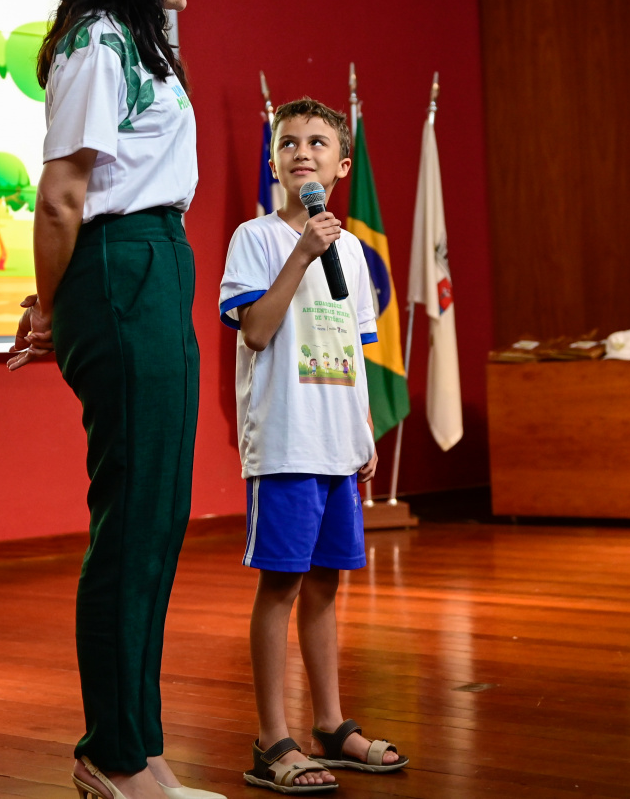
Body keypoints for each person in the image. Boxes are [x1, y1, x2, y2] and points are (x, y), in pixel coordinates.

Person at [6, 0, 219, 799]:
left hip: (157, 259)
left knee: (157, 521)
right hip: (119, 263)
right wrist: (49, 308)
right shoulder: (97, 40)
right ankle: (111, 755)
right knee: (131, 525)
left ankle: (145, 753)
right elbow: (61, 195)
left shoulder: (145, 36)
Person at [218, 98, 409, 794]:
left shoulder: (354, 250)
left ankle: (330, 725)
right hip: (287, 444)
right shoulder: (257, 239)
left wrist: (363, 429)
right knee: (283, 584)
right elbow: (257, 331)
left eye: (318, 143)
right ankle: (273, 739)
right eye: (289, 142)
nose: (303, 152)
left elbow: (356, 348)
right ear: (274, 160)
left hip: (336, 443)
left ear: (341, 163)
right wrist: (302, 253)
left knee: (327, 584)